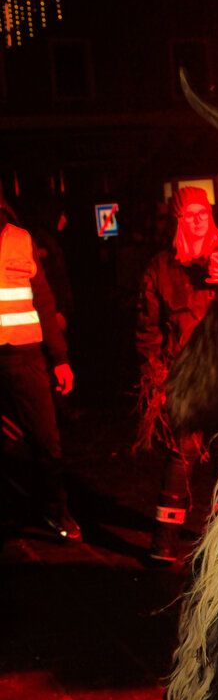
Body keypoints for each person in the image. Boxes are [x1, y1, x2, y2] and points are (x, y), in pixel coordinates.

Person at [136, 187, 218, 562]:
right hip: (183, 377)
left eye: (203, 213)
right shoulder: (160, 268)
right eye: (189, 214)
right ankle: (164, 540)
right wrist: (154, 377)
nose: (197, 220)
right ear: (178, 220)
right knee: (182, 454)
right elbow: (147, 330)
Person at [0, 186, 80, 541]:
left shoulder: (20, 239)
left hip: (24, 355)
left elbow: (43, 301)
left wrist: (60, 358)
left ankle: (55, 511)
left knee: (46, 440)